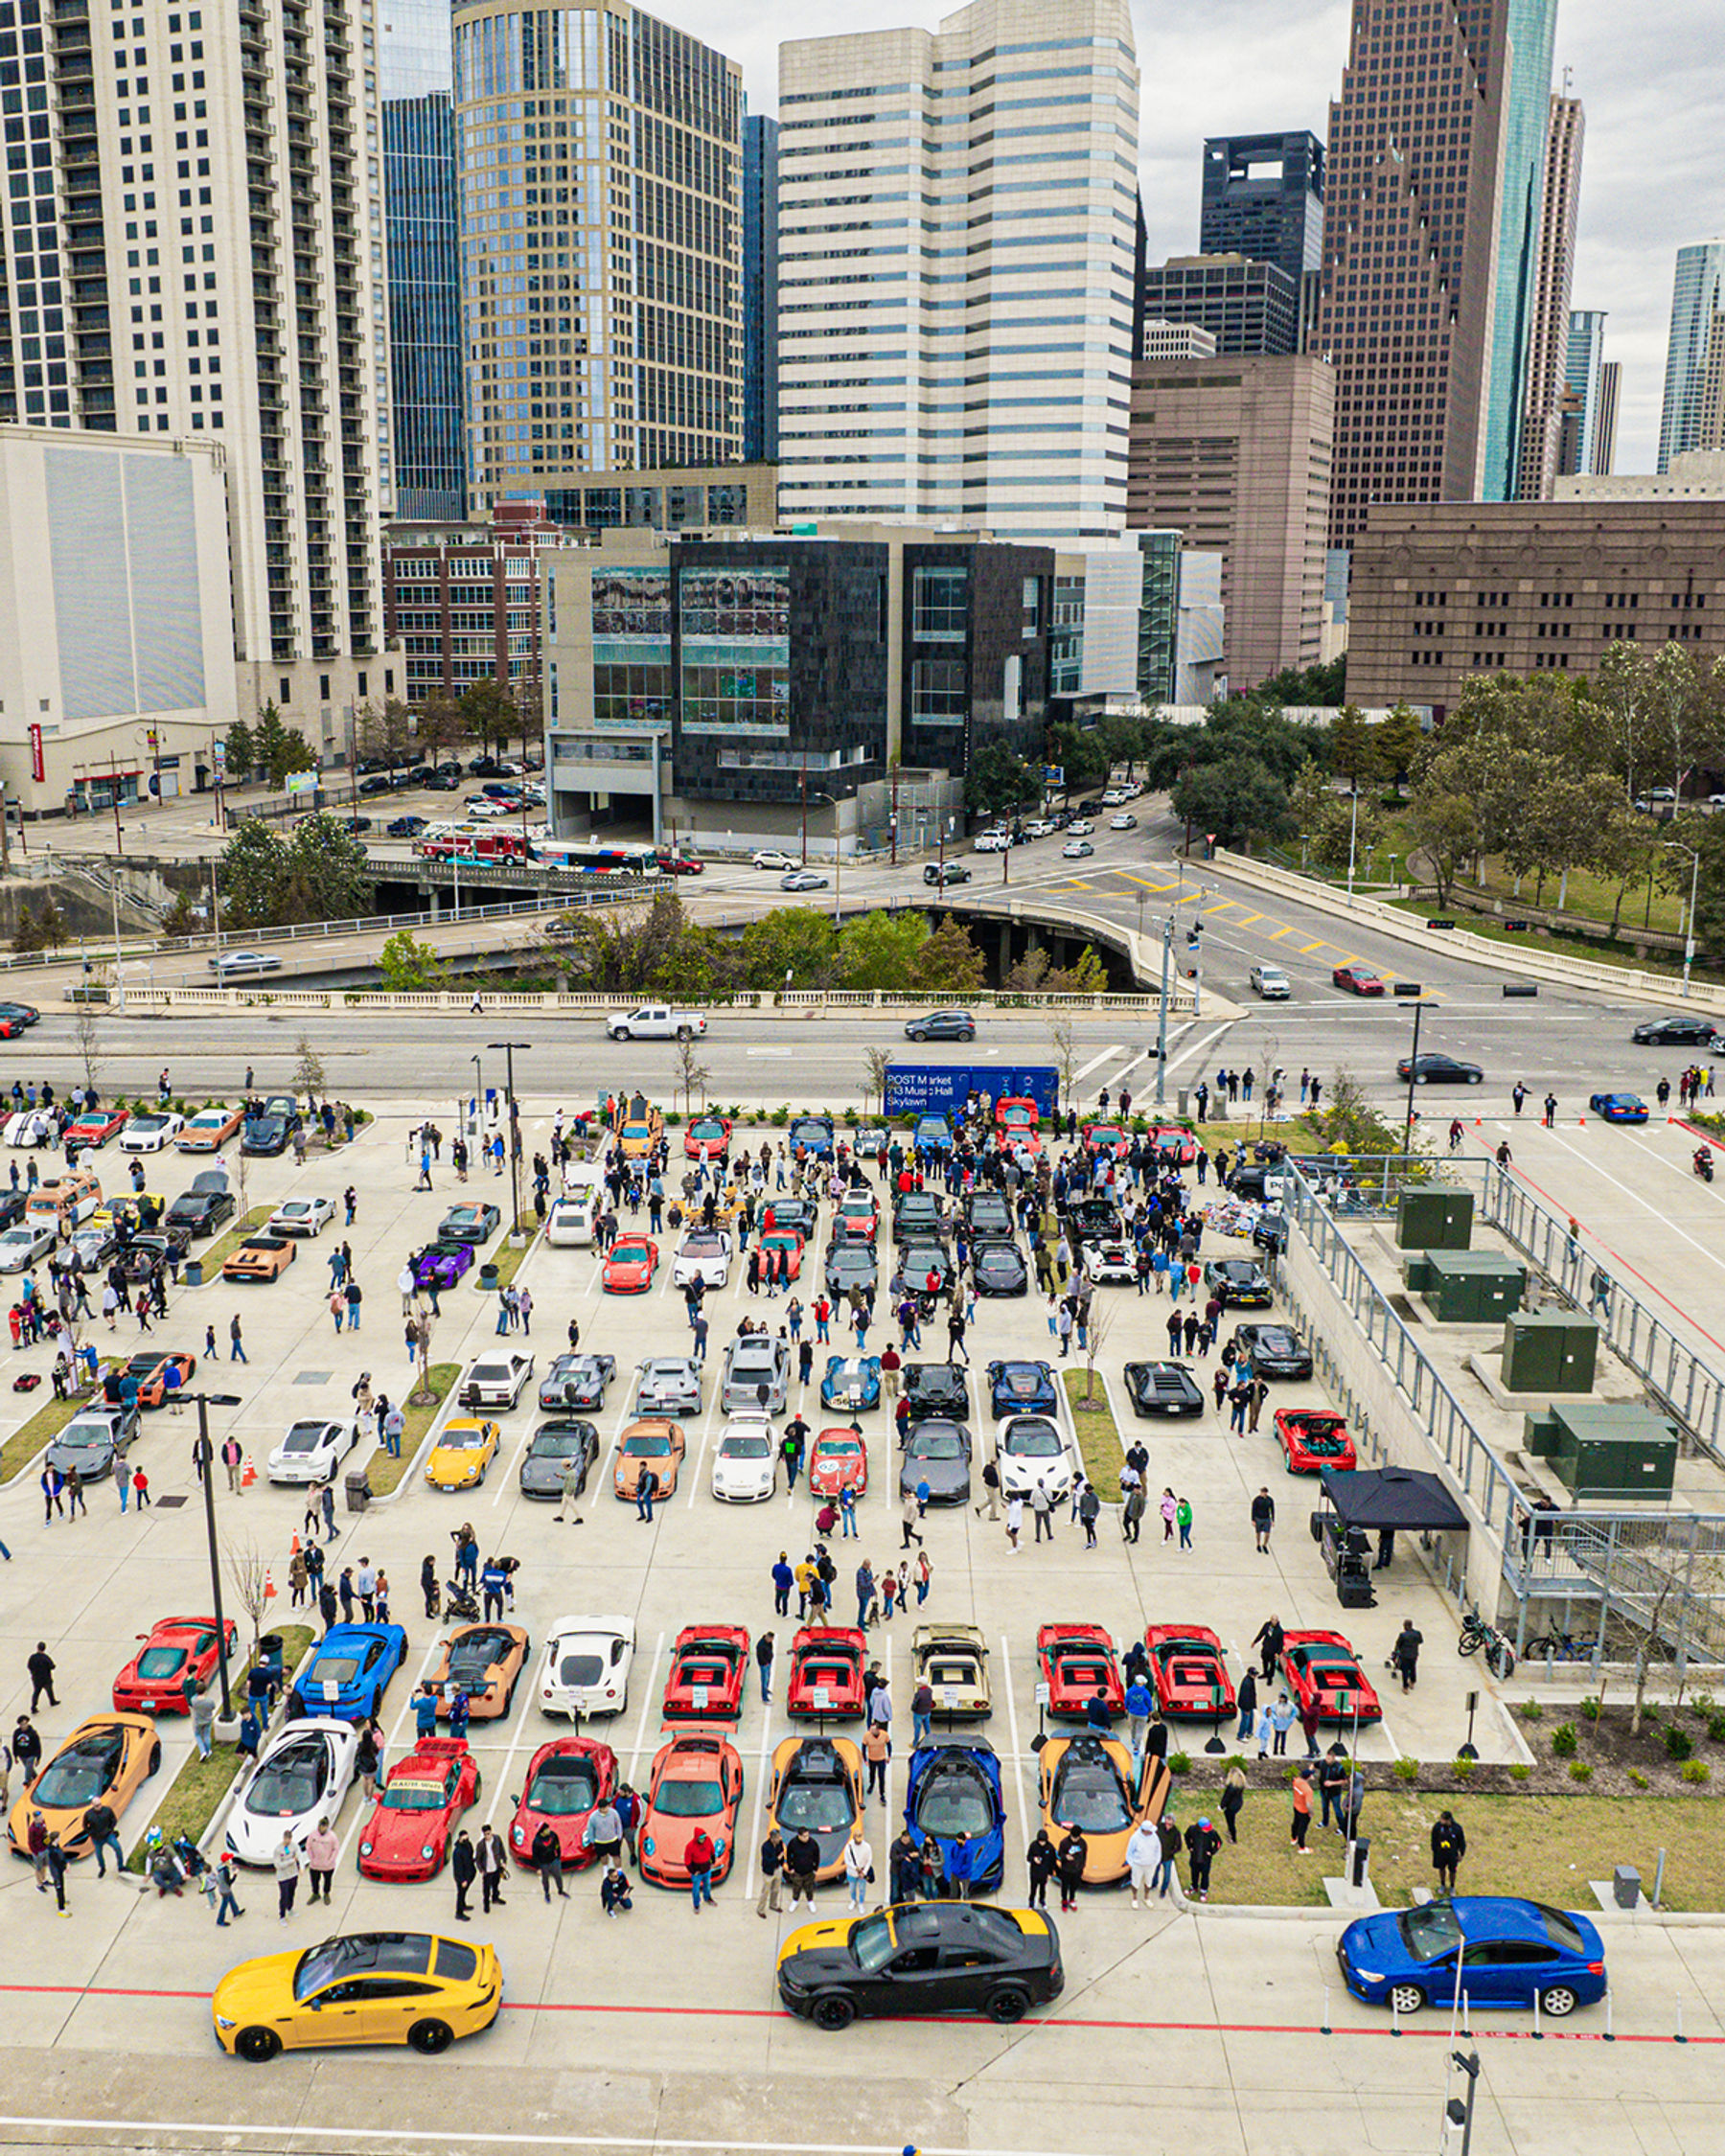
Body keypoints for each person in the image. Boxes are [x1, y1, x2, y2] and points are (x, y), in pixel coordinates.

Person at [1125, 1817, 1160, 1909]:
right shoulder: (1135, 1838)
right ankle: (1135, 1898)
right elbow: (1129, 1852)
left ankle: (1146, 1898)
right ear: (1145, 1830)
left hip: (1150, 1865)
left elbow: (1158, 1850)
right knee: (1135, 1882)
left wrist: (1156, 1861)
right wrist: (1132, 1864)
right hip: (1138, 1865)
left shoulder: (1155, 1837)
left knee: (1148, 1882)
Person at [1184, 1816, 1221, 1902]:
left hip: (1205, 1860)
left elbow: (1218, 1843)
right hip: (1195, 1857)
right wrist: (1190, 1847)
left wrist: (1212, 1852)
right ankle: (1194, 1887)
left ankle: (1204, 1891)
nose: (1207, 1830)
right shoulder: (1192, 1830)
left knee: (1205, 1875)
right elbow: (1186, 1836)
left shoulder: (1212, 1833)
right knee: (1194, 1873)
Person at [1431, 1809, 1465, 1894]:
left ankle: (1452, 1886)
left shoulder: (1457, 1828)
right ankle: (1442, 1884)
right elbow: (1434, 1839)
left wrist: (1461, 1853)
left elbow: (1461, 1841)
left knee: (1452, 1871)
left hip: (1452, 1854)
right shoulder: (1438, 1827)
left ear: (1448, 1820)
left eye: (1443, 1819)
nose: (1441, 1821)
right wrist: (1435, 1851)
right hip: (1441, 1853)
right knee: (1441, 1869)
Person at [784, 1826, 820, 1907]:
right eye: (804, 1836)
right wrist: (791, 1868)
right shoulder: (793, 1843)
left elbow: (817, 1856)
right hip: (797, 1871)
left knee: (809, 1888)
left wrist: (815, 1868)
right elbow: (789, 1855)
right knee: (796, 1887)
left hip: (809, 1871)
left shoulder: (813, 1843)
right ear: (799, 1836)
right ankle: (795, 1901)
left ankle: (810, 1901)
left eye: (808, 1835)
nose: (807, 1838)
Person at [532, 1821, 567, 1901]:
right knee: (545, 1880)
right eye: (546, 1829)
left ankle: (560, 1890)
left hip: (554, 1861)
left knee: (558, 1877)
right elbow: (535, 1855)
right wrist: (538, 1868)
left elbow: (557, 1845)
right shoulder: (536, 1842)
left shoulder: (553, 1836)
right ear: (542, 1832)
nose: (548, 1830)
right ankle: (547, 1893)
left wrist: (558, 1856)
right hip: (544, 1864)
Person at [305, 1818, 338, 1905]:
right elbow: (308, 1847)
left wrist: (330, 1861)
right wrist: (312, 1858)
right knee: (314, 1881)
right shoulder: (312, 1835)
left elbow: (335, 1849)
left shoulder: (332, 1836)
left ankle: (326, 1894)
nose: (321, 1828)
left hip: (328, 1866)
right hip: (315, 1865)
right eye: (320, 1825)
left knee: (327, 1881)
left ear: (327, 1827)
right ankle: (315, 1894)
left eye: (323, 1826)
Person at [1055, 1827, 1088, 1913]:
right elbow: (1059, 1854)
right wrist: (1065, 1857)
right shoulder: (1064, 1843)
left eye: (1077, 1837)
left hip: (1077, 1870)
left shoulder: (1083, 1843)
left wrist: (1082, 1866)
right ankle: (1064, 1900)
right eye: (1074, 1837)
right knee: (1065, 1886)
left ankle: (1072, 1899)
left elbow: (1084, 1855)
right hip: (1066, 1870)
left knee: (1074, 1886)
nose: (1075, 1839)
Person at [684, 1826, 716, 1913]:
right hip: (697, 1873)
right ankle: (696, 1905)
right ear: (697, 1838)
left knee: (707, 1885)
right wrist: (693, 1871)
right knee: (696, 1889)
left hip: (706, 1870)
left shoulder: (708, 1840)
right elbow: (687, 1861)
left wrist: (713, 1861)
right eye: (701, 1838)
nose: (703, 1840)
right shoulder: (690, 1846)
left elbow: (712, 1851)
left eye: (704, 1837)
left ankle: (707, 1898)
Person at [842, 1825, 874, 1911]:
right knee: (852, 1888)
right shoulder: (849, 1847)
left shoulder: (867, 1846)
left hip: (862, 1872)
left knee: (862, 1889)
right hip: (852, 1872)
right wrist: (855, 1868)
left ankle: (861, 1903)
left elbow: (869, 1860)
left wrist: (864, 1871)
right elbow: (847, 1860)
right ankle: (853, 1900)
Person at [477, 1824, 508, 1912]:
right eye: (485, 1834)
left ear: (491, 1832)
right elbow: (478, 1859)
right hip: (487, 1871)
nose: (487, 1836)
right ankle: (486, 1904)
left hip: (496, 1868)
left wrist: (504, 1862)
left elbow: (502, 1851)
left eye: (488, 1833)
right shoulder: (481, 1845)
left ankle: (495, 1898)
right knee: (486, 1889)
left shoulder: (497, 1839)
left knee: (496, 1885)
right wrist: (481, 1870)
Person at [757, 1826, 786, 1917]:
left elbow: (781, 1852)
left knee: (776, 1889)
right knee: (765, 1891)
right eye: (777, 1838)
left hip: (777, 1869)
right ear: (772, 1838)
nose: (779, 1839)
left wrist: (781, 1863)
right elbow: (766, 1861)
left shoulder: (779, 1843)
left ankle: (773, 1905)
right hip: (769, 1872)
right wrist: (777, 1858)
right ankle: (760, 1909)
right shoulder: (765, 1847)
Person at [1026, 1828, 1058, 1910]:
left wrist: (1050, 1873)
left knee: (1042, 1889)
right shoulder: (1033, 1845)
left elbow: (1053, 1861)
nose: (1042, 1843)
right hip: (1034, 1872)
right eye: (1040, 1841)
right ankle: (1031, 1903)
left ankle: (1042, 1900)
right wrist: (1034, 1859)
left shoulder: (1050, 1848)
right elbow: (1028, 1857)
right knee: (1033, 1889)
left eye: (1043, 1841)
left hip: (1044, 1873)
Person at [273, 1834, 301, 1921]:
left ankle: (290, 1908)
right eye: (286, 1839)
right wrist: (291, 1861)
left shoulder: (294, 1846)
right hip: (283, 1877)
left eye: (289, 1839)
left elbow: (298, 1856)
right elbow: (278, 1865)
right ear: (283, 1838)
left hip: (293, 1874)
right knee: (284, 1896)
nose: (287, 1841)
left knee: (291, 1893)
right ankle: (282, 1916)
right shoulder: (278, 1850)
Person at [451, 1830, 477, 1921]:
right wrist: (462, 1880)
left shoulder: (468, 1845)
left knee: (464, 1892)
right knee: (461, 1894)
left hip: (469, 1873)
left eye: (467, 1838)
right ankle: (459, 1912)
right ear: (460, 1838)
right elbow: (458, 1868)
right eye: (464, 1838)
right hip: (462, 1878)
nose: (466, 1840)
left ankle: (463, 1905)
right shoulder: (457, 1852)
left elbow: (470, 1856)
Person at [1393, 1617, 1424, 1691]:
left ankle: (1405, 1687)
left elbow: (1398, 1644)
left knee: (1405, 1670)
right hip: (1414, 1654)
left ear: (1405, 1626)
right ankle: (1412, 1681)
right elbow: (1421, 1641)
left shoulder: (1403, 1635)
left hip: (1405, 1655)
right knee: (1413, 1667)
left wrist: (1396, 1651)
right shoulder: (1417, 1633)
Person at [1253, 1614, 1284, 1683]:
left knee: (1272, 1665)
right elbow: (1261, 1634)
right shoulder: (1267, 1625)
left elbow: (1281, 1644)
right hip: (1266, 1648)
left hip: (1273, 1651)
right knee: (1265, 1662)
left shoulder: (1280, 1631)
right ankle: (1265, 1673)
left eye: (1275, 1620)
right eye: (1273, 1619)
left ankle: (1270, 1678)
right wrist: (1255, 1641)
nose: (1274, 1621)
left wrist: (1278, 1653)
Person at [1220, 1763, 1246, 1844]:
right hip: (1238, 1805)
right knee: (1231, 1819)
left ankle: (1233, 1838)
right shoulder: (1240, 1784)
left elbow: (1226, 1798)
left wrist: (1221, 1806)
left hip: (1231, 1807)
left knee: (1231, 1822)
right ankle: (1230, 1832)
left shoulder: (1231, 1787)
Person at [1290, 1766, 1314, 1852]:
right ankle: (1302, 1848)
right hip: (1304, 1811)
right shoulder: (1308, 1790)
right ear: (1309, 1777)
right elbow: (1308, 1804)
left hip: (1296, 1806)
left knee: (1295, 1823)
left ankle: (1293, 1838)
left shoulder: (1296, 1781)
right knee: (1302, 1829)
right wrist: (1311, 1813)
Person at [1250, 1487, 1276, 1554]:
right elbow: (1253, 1510)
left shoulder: (1270, 1500)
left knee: (1267, 1533)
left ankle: (1264, 1545)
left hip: (1266, 1518)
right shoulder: (1256, 1500)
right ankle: (1258, 1544)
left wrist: (1273, 1520)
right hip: (1258, 1518)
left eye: (1264, 1492)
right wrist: (1253, 1519)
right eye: (1262, 1492)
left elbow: (1272, 1510)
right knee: (1258, 1532)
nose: (1263, 1494)